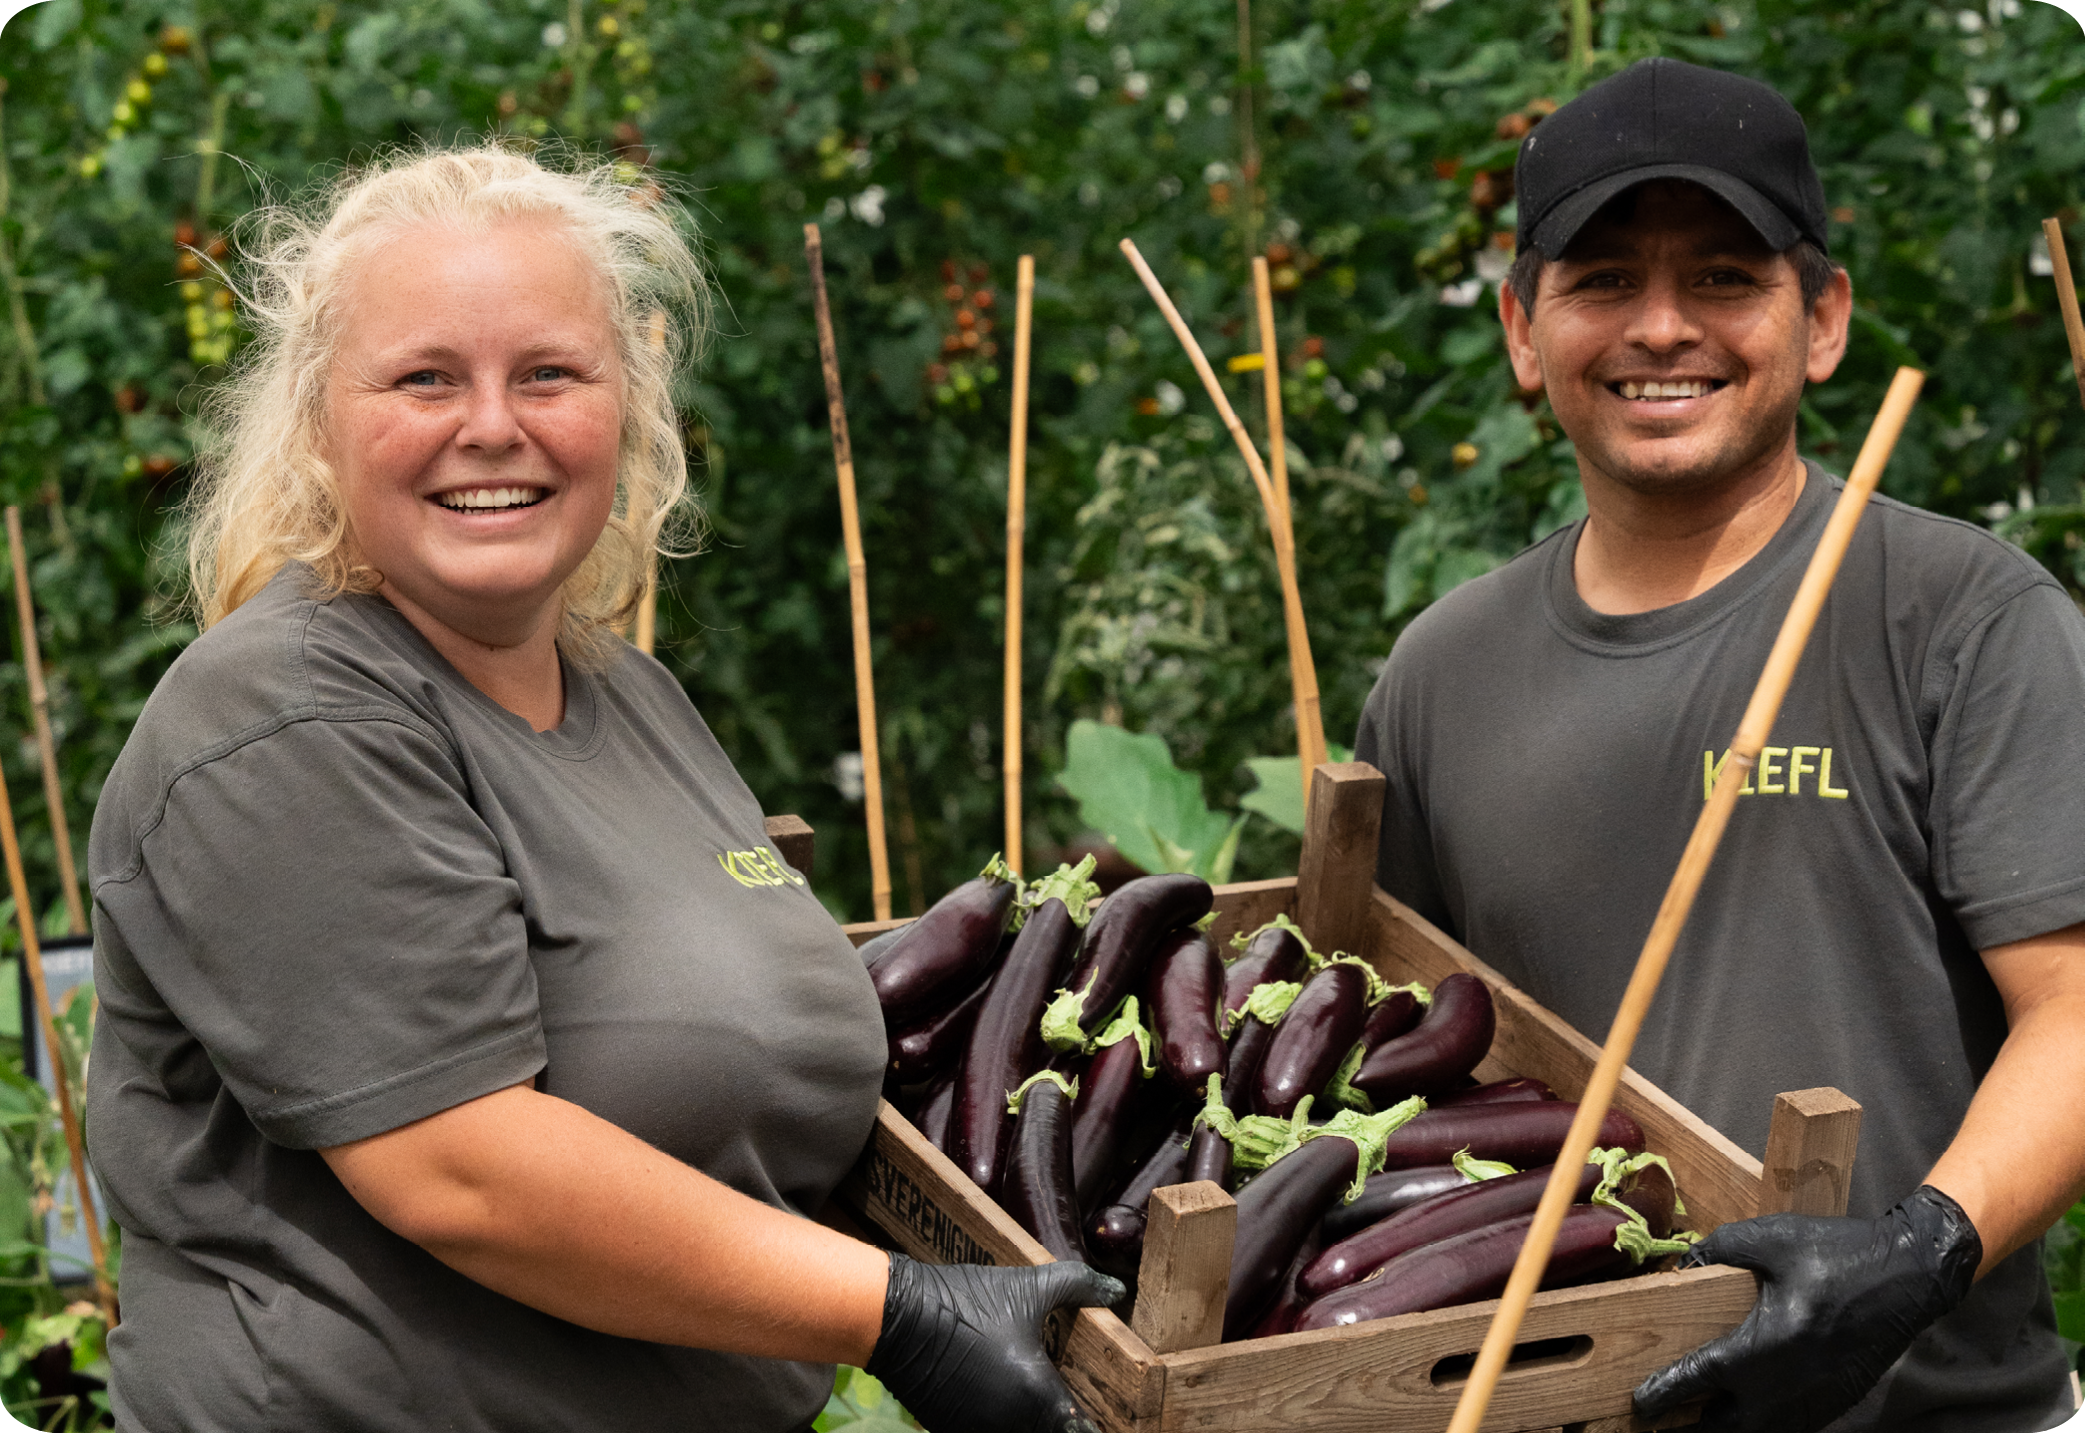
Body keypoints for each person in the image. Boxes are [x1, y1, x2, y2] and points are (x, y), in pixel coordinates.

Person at [85, 144, 1117, 1433]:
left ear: (626, 404)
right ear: (316, 424)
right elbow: (461, 1168)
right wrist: (904, 1315)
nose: (493, 427)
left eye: (549, 374)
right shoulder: (283, 719)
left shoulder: (628, 696)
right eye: (424, 378)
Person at [1355, 58, 2085, 1433]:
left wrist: (1926, 1247)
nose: (1664, 327)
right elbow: (1406, 1057)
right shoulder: (1440, 673)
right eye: (1604, 281)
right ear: (1524, 329)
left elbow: (2079, 1010)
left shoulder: (1964, 619)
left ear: (1822, 321)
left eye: (1726, 278)